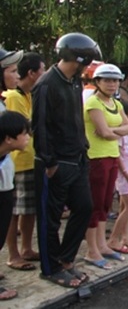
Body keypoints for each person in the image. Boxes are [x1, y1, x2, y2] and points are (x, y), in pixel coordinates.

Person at [32, 32, 100, 288]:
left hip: (77, 158)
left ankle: (66, 259)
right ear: (78, 59)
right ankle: (50, 269)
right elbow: (40, 126)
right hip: (56, 163)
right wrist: (50, 162)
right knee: (50, 219)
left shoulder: (74, 82)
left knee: (84, 207)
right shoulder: (47, 84)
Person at [82, 64, 128, 270]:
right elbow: (103, 132)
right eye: (107, 80)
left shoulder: (115, 103)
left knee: (105, 203)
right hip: (96, 157)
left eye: (115, 80)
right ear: (97, 82)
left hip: (112, 155)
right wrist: (116, 130)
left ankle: (102, 245)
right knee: (94, 205)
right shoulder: (93, 102)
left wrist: (112, 130)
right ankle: (91, 250)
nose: (112, 84)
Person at [3, 52, 43, 272]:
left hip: (32, 160)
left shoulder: (31, 95)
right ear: (32, 73)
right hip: (17, 162)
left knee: (29, 209)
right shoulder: (12, 97)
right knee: (13, 211)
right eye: (42, 70)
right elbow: (21, 127)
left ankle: (27, 247)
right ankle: (13, 254)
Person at [0, 111, 32, 300]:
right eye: (24, 134)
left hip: (5, 194)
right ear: (9, 138)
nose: (28, 138)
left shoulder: (7, 155)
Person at [107, 101, 128, 255]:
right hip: (125, 175)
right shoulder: (119, 136)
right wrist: (127, 175)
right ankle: (114, 238)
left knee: (125, 207)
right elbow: (118, 157)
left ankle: (125, 237)